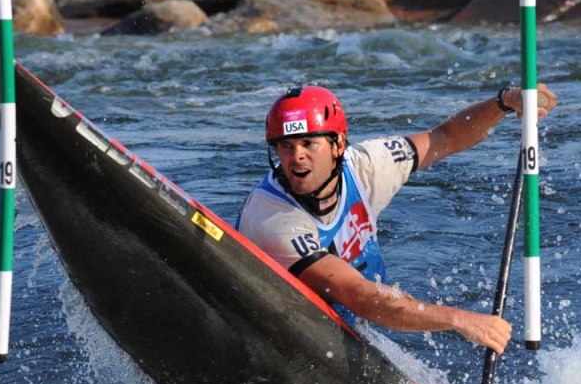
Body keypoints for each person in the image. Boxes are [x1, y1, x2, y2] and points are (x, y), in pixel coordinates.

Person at [236, 84, 556, 355]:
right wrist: (458, 319)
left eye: (309, 143)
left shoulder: (369, 164)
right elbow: (359, 295)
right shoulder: (272, 217)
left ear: (338, 145)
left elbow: (446, 137)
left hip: (363, 325)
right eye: (286, 147)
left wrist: (504, 101)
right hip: (298, 333)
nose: (296, 157)